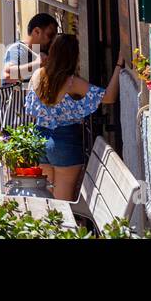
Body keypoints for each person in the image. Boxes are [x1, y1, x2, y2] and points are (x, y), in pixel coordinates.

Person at [26, 34, 128, 201]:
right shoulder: (71, 82)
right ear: (73, 56)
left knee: (47, 200)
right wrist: (118, 65)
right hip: (64, 141)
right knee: (62, 203)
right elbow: (108, 97)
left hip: (39, 139)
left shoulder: (38, 75)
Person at [2, 12, 59, 86]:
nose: (52, 40)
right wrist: (37, 64)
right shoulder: (17, 49)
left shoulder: (45, 53)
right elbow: (8, 75)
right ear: (37, 31)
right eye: (50, 35)